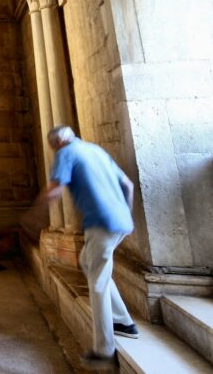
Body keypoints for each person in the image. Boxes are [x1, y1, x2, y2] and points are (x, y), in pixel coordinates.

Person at [25, 126, 138, 370]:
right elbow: (127, 185)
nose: (53, 151)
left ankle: (104, 350)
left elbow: (55, 188)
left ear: (57, 143)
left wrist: (34, 216)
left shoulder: (66, 153)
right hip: (121, 221)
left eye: (52, 147)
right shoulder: (94, 150)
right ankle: (123, 321)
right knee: (90, 262)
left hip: (101, 223)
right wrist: (124, 214)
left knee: (96, 281)